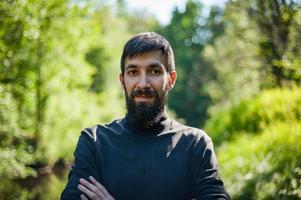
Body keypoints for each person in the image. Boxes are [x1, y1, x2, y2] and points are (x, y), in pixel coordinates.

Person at [61, 32, 230, 200]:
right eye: (133, 72)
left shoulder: (196, 145)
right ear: (122, 80)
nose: (143, 84)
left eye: (154, 71)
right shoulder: (94, 142)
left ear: (171, 79)